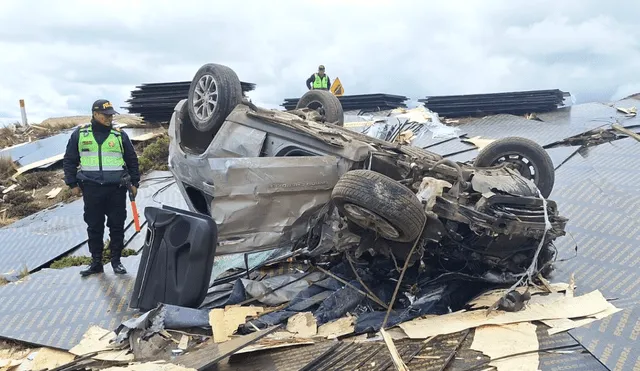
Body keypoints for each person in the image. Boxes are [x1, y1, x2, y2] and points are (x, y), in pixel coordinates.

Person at [62, 99, 141, 277]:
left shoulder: (119, 135)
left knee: (117, 226)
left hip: (116, 189)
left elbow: (132, 160)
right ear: (95, 114)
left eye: (111, 115)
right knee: (94, 226)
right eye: (106, 115)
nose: (109, 118)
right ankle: (96, 262)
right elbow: (69, 160)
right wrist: (72, 183)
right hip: (92, 189)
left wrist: (135, 183)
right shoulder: (81, 134)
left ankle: (116, 261)